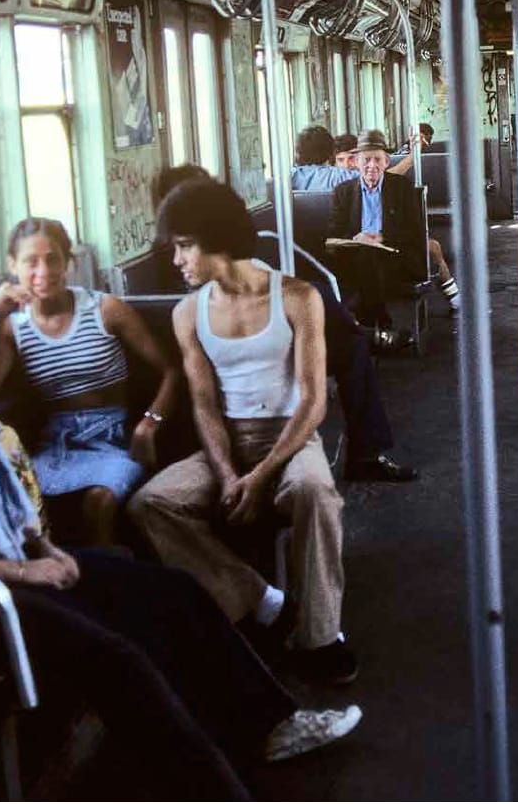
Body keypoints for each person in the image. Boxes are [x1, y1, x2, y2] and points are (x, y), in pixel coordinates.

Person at [0, 254, 360, 797]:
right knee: (116, 652)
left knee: (173, 591)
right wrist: (23, 571)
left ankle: (271, 723)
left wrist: (43, 548)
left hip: (13, 564)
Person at [128, 180, 359, 685]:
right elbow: (205, 405)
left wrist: (263, 474)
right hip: (229, 441)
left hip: (291, 437)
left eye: (185, 246)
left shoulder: (297, 297)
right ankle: (261, 600)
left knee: (315, 492)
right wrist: (229, 473)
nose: (177, 261)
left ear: (216, 238)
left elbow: (313, 401)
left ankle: (321, 637)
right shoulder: (187, 313)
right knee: (151, 503)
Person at [153, 164, 418, 483]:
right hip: (228, 337)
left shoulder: (220, 240)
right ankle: (363, 334)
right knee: (342, 331)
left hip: (258, 320)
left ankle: (360, 339)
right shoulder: (178, 254)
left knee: (334, 324)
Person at [0, 218, 179, 545]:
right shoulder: (14, 328)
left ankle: (109, 571)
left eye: (53, 259)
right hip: (57, 444)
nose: (43, 271)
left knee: (98, 504)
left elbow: (171, 370)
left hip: (114, 438)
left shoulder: (105, 309)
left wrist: (149, 424)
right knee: (17, 502)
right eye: (31, 261)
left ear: (68, 262)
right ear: (13, 266)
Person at [327, 132, 458, 337]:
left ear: (386, 162)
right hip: (357, 256)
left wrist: (383, 237)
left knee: (370, 262)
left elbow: (415, 231)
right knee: (366, 259)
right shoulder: (343, 192)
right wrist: (356, 238)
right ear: (357, 162)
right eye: (366, 160)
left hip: (396, 256)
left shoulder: (401, 188)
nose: (371, 165)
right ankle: (381, 327)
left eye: (377, 159)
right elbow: (335, 230)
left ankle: (371, 329)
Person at [292, 125, 415, 192]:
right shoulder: (337, 176)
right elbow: (381, 179)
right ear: (330, 154)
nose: (347, 164)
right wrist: (411, 159)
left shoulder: (290, 177)